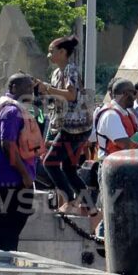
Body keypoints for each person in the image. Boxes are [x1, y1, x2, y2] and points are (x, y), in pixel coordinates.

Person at [33, 35, 90, 214]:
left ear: (63, 52)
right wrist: (42, 89)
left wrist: (47, 88)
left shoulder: (71, 70)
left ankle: (70, 201)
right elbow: (58, 96)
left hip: (75, 127)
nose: (49, 55)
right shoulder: (57, 72)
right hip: (67, 126)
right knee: (68, 167)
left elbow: (71, 95)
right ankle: (88, 204)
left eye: (52, 52)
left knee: (49, 162)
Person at [0, 73, 42, 252]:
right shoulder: (11, 111)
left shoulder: (14, 108)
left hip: (10, 176)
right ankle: (3, 259)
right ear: (13, 88)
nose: (30, 91)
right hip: (13, 178)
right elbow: (8, 144)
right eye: (26, 88)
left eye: (31, 87)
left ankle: (4, 257)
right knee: (10, 222)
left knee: (10, 221)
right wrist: (25, 175)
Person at [95, 79, 138, 158]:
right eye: (134, 93)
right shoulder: (111, 115)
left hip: (125, 163)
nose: (135, 97)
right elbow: (125, 144)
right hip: (112, 166)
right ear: (126, 94)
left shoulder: (126, 113)